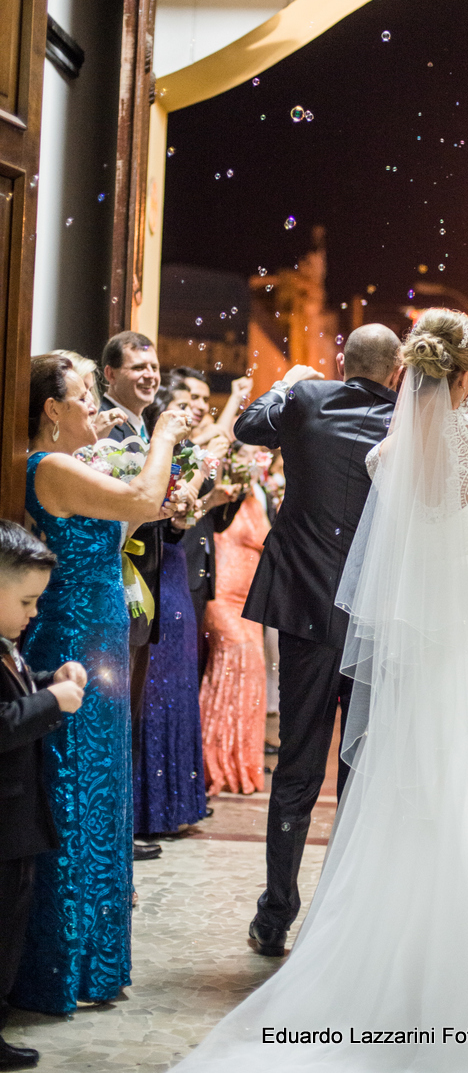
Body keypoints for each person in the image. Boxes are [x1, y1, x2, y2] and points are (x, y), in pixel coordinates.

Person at [172, 209, 468, 1073]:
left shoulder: (389, 451)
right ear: (465, 370)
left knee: (421, 797)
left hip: (422, 651)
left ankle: (403, 960)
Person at [11, 355, 187, 1015]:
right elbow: (140, 499)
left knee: (102, 792)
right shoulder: (47, 467)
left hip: (103, 640)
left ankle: (92, 959)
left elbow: (124, 527)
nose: (98, 410)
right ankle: (57, 961)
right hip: (72, 645)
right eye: (85, 397)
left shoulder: (72, 468)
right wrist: (162, 435)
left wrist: (173, 490)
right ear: (53, 411)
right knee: (74, 793)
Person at [233, 323, 400, 957]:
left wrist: (290, 383)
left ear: (341, 362)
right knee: (360, 767)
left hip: (306, 606)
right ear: (394, 372)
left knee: (298, 768)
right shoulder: (408, 423)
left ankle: (276, 915)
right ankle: (343, 920)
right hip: (377, 619)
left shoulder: (307, 400)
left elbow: (248, 426)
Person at [0, 522, 86, 1071]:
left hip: (17, 822)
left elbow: (17, 687)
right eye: (26, 601)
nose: (34, 614)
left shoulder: (8, 647)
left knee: (10, 929)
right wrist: (52, 702)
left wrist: (49, 679)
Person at [100, 331, 166, 860]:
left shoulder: (141, 426)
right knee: (114, 714)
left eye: (154, 366)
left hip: (140, 588)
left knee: (132, 715)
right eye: (138, 366)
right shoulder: (104, 433)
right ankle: (110, 837)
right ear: (110, 376)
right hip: (112, 587)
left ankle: (121, 833)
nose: (150, 374)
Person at [133, 382, 208, 837]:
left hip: (172, 568)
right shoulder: (142, 448)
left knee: (172, 687)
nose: (194, 411)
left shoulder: (188, 456)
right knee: (151, 692)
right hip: (148, 574)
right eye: (184, 403)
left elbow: (176, 525)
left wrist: (181, 514)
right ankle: (145, 809)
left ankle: (168, 805)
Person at [161, 369, 245, 682]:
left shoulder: (196, 447)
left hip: (198, 562)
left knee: (190, 660)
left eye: (204, 400)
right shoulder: (179, 450)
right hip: (174, 557)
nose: (198, 405)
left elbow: (209, 514)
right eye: (192, 398)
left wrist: (224, 497)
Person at [199, 444, 271, 796]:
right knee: (233, 663)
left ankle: (240, 762)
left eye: (260, 453)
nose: (255, 459)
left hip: (251, 600)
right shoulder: (224, 490)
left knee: (254, 674)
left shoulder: (261, 493)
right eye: (247, 453)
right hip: (223, 595)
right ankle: (212, 762)